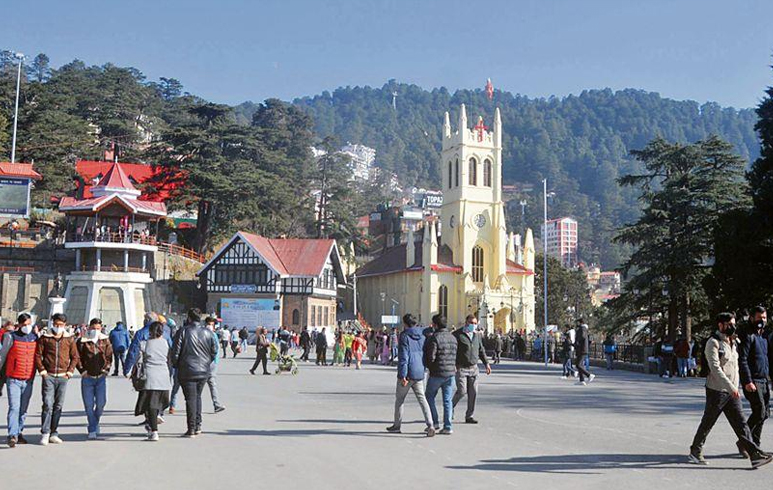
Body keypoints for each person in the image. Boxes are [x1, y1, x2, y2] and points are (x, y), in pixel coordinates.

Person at [688, 312, 772, 468]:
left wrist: (737, 385)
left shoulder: (733, 341)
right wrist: (731, 387)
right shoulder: (713, 343)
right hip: (717, 390)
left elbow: (736, 365)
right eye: (729, 324)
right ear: (720, 325)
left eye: (734, 324)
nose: (733, 327)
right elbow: (715, 368)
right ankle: (695, 450)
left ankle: (755, 455)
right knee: (708, 422)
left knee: (741, 425)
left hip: (732, 391)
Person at [170, 308, 218, 438]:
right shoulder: (208, 332)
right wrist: (207, 362)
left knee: (190, 399)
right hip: (203, 370)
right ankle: (198, 425)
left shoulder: (183, 331)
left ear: (189, 318)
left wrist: (176, 364)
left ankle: (191, 428)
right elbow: (214, 351)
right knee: (197, 397)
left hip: (187, 369)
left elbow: (175, 352)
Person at [386, 314, 434, 436]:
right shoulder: (422, 335)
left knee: (400, 400)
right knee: (422, 399)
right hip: (419, 371)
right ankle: (430, 424)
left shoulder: (404, 336)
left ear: (405, 324)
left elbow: (404, 357)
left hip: (407, 373)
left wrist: (403, 375)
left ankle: (397, 425)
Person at [35, 313, 79, 445]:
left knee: (58, 406)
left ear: (65, 325)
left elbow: (75, 357)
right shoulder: (45, 338)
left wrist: (70, 372)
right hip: (48, 375)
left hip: (63, 376)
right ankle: (45, 432)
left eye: (61, 325)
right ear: (52, 323)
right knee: (47, 404)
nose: (58, 327)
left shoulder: (69, 339)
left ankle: (54, 433)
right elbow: (38, 355)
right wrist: (42, 371)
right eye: (56, 324)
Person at [0, 314, 37, 447]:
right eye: (25, 324)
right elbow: (2, 356)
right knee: (14, 407)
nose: (28, 327)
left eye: (29, 324)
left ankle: (19, 431)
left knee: (23, 409)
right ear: (19, 324)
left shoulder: (34, 338)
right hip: (14, 378)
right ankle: (12, 435)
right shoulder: (11, 337)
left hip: (28, 379)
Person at [738, 306, 770, 452]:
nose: (762, 320)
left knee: (764, 414)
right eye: (759, 317)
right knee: (759, 412)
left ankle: (755, 444)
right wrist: (747, 381)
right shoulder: (748, 335)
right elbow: (743, 360)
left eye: (764, 318)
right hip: (753, 380)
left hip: (764, 380)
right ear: (752, 318)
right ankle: (744, 441)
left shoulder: (763, 337)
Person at [135, 321, 172, 442]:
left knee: (150, 404)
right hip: (164, 375)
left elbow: (139, 360)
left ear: (150, 331)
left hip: (150, 376)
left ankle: (154, 431)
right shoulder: (166, 343)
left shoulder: (144, 344)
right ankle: (157, 417)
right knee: (159, 402)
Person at [76, 318, 113, 440]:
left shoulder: (105, 340)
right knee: (89, 405)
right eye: (93, 328)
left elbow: (109, 356)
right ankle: (92, 428)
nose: (96, 331)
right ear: (89, 328)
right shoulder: (82, 341)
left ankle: (95, 422)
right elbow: (77, 357)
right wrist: (82, 371)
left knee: (101, 403)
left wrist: (106, 370)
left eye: (98, 328)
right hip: (87, 378)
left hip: (100, 377)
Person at [452, 315, 491, 424]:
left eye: (475, 323)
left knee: (473, 392)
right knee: (462, 391)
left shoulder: (476, 335)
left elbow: (481, 350)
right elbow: (453, 350)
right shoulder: (458, 335)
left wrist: (487, 364)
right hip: (461, 368)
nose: (473, 325)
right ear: (466, 323)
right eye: (471, 323)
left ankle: (469, 415)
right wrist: (453, 364)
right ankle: (450, 407)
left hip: (473, 368)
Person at [425, 314, 458, 435]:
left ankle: (434, 422)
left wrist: (430, 367)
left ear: (435, 325)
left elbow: (431, 357)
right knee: (447, 400)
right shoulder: (453, 337)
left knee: (429, 397)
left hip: (437, 373)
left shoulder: (435, 337)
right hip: (450, 373)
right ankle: (448, 426)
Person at [204, 317, 226, 413]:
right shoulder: (202, 333)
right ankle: (194, 405)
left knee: (212, 384)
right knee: (199, 386)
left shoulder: (214, 335)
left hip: (212, 364)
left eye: (212, 325)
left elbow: (216, 349)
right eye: (209, 324)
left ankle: (216, 404)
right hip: (203, 364)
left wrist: (215, 361)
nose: (210, 326)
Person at [574, 319, 595, 386]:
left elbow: (582, 337)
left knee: (578, 365)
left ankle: (589, 375)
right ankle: (582, 380)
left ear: (581, 322)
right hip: (582, 349)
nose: (577, 324)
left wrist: (577, 342)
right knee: (580, 365)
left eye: (578, 322)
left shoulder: (582, 328)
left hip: (582, 349)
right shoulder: (584, 329)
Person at [0, 320, 16, 397]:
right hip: (10, 359)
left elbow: (4, 348)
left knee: (2, 376)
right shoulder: (13, 334)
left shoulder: (6, 334)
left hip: (6, 358)